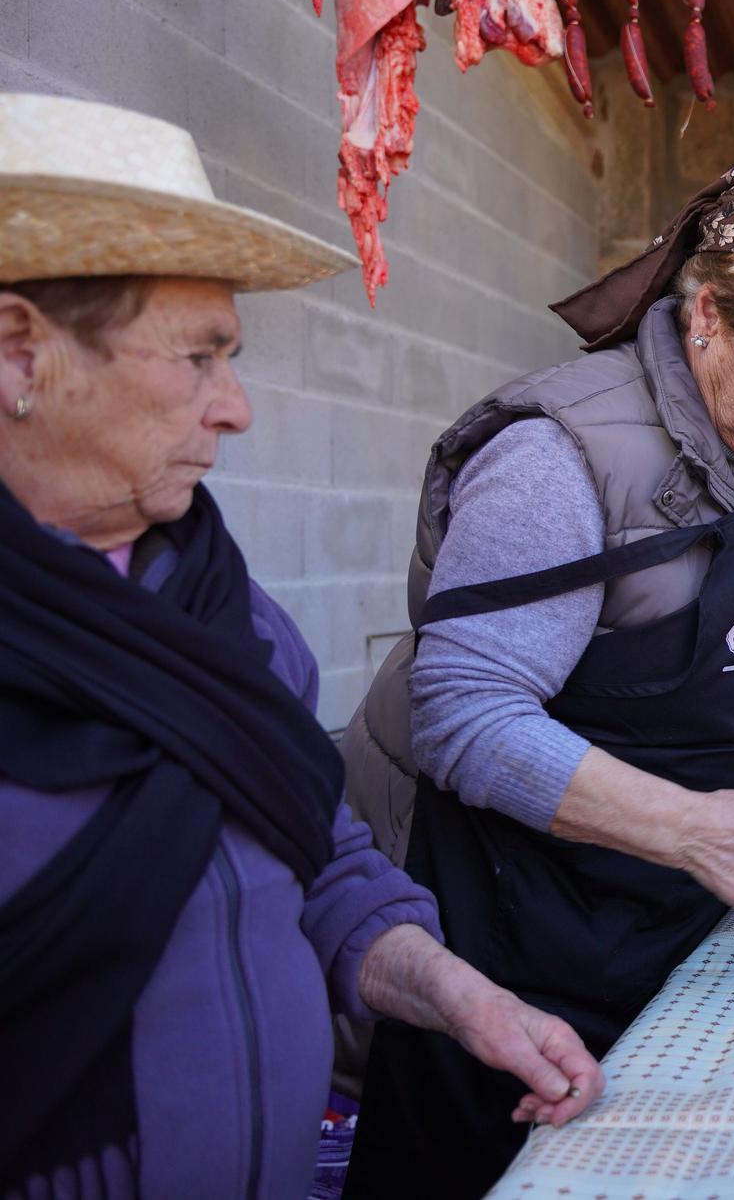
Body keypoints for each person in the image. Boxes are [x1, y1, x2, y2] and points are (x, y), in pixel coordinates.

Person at [0, 93, 602, 1199]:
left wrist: (462, 995)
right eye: (198, 357)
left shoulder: (226, 613)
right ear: (18, 354)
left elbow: (316, 861)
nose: (236, 409)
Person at [345, 146, 734, 1197]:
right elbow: (463, 713)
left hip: (677, 926)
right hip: (515, 928)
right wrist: (689, 826)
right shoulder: (558, 457)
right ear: (704, 315)